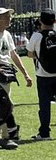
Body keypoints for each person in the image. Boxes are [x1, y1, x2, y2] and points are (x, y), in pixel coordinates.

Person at [0, 7, 32, 149]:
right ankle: (8, 135)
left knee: (2, 105)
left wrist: (25, 73)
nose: (10, 19)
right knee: (6, 105)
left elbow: (13, 55)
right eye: (6, 17)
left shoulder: (7, 34)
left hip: (6, 72)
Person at [25, 10, 56, 141]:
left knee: (44, 105)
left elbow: (29, 53)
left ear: (41, 22)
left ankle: (44, 132)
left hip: (43, 74)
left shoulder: (36, 36)